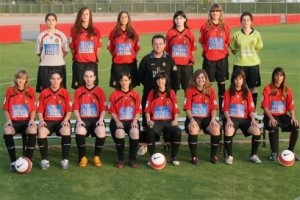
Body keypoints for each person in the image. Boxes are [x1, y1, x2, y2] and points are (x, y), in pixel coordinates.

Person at [138, 34, 179, 155]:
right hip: (150, 95)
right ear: (152, 45)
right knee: (147, 121)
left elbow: (175, 78)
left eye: (160, 44)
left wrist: (171, 94)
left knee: (168, 119)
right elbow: (140, 76)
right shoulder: (146, 59)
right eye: (155, 44)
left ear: (164, 45)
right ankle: (145, 144)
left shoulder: (169, 59)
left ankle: (168, 142)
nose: (158, 46)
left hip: (166, 96)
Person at [223, 69, 262, 165]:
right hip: (232, 119)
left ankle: (253, 155)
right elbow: (225, 109)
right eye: (236, 79)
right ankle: (229, 156)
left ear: (243, 80)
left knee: (257, 130)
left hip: (245, 119)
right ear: (233, 80)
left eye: (240, 78)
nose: (238, 81)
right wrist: (228, 120)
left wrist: (253, 119)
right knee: (228, 131)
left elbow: (251, 109)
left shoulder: (247, 92)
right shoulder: (228, 92)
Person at [199, 3, 230, 118]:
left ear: (220, 13)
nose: (215, 13)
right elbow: (202, 41)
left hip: (222, 60)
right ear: (210, 13)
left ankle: (222, 111)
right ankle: (206, 109)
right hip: (209, 60)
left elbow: (227, 42)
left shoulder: (225, 26)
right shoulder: (205, 26)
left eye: (217, 11)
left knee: (221, 84)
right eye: (213, 11)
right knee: (207, 85)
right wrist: (208, 51)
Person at [261, 67, 299, 161]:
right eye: (277, 75)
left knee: (295, 126)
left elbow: (290, 106)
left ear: (284, 77)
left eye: (281, 75)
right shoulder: (267, 89)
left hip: (282, 116)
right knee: (273, 126)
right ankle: (274, 152)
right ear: (273, 76)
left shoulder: (287, 90)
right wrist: (271, 118)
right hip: (270, 115)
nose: (279, 77)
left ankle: (291, 152)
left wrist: (293, 117)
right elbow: (265, 106)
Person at [183, 69, 221, 165]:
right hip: (194, 117)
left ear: (206, 79)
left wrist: (213, 119)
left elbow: (213, 107)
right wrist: (191, 120)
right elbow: (187, 108)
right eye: (198, 78)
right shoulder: (189, 90)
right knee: (194, 128)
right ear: (195, 79)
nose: (201, 80)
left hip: (207, 118)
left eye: (203, 77)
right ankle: (194, 156)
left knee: (216, 128)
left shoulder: (211, 90)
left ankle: (213, 155)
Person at [37, 70, 72, 170]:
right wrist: (41, 120)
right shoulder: (44, 93)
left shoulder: (65, 93)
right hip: (48, 121)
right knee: (42, 131)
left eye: (57, 79)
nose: (55, 81)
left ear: (61, 79)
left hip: (61, 121)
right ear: (49, 80)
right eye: (53, 79)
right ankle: (44, 160)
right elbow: (39, 110)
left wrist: (66, 120)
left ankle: (65, 160)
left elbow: (69, 110)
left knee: (66, 130)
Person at [3, 69, 37, 171]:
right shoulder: (10, 90)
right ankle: (13, 162)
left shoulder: (31, 91)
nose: (20, 81)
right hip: (14, 122)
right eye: (18, 78)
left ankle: (28, 160)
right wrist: (8, 120)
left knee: (32, 130)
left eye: (23, 78)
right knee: (7, 131)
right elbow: (5, 108)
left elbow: (34, 108)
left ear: (26, 80)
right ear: (15, 79)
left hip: (26, 122)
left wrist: (31, 120)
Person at [145, 72, 182, 166]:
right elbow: (147, 109)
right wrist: (148, 120)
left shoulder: (171, 92)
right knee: (149, 131)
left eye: (162, 79)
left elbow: (176, 109)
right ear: (156, 81)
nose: (160, 81)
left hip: (168, 121)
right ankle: (152, 158)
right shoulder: (152, 93)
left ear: (166, 81)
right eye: (158, 79)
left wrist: (176, 120)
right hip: (156, 121)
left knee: (177, 131)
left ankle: (174, 157)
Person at [73, 68, 107, 167]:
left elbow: (103, 108)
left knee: (101, 130)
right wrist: (79, 120)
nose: (89, 79)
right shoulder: (79, 91)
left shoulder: (99, 91)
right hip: (83, 119)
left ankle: (96, 156)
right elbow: (75, 108)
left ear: (94, 78)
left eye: (91, 76)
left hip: (96, 119)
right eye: (87, 76)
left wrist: (101, 120)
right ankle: (83, 157)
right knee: (79, 130)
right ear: (83, 78)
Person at [230, 11, 263, 110]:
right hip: (240, 65)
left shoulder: (257, 34)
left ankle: (253, 110)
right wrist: (240, 55)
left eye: (248, 20)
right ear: (241, 22)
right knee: (237, 87)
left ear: (251, 21)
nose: (246, 22)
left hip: (253, 64)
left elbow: (258, 47)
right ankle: (238, 110)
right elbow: (232, 48)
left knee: (253, 88)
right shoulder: (236, 35)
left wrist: (251, 55)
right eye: (243, 20)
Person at [108, 72, 141, 168]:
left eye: (126, 80)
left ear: (130, 81)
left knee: (135, 132)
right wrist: (118, 122)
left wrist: (135, 121)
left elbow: (138, 110)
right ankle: (121, 159)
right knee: (119, 132)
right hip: (118, 121)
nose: (124, 83)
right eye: (122, 80)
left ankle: (132, 159)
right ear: (119, 81)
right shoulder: (114, 94)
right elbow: (112, 111)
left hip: (132, 121)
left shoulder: (135, 94)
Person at [35, 12, 69, 93]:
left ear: (56, 22)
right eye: (49, 20)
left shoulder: (61, 35)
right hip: (45, 66)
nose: (51, 22)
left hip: (59, 66)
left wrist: (58, 57)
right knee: (45, 91)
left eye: (53, 20)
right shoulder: (41, 36)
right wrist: (47, 58)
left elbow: (66, 50)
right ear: (46, 22)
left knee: (60, 91)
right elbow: (38, 52)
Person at [70, 6, 102, 89]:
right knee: (79, 88)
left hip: (91, 63)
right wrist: (77, 56)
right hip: (79, 63)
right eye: (82, 14)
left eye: (87, 14)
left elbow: (98, 47)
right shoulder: (74, 30)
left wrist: (95, 58)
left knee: (92, 88)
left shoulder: (96, 30)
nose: (85, 16)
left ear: (90, 16)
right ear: (79, 16)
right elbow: (72, 47)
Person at [107, 10, 140, 88]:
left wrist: (130, 56)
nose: (124, 19)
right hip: (118, 65)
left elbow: (136, 49)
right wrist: (117, 56)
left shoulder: (133, 32)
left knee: (130, 87)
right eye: (121, 17)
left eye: (125, 17)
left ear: (128, 19)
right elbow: (111, 49)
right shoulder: (113, 33)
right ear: (119, 19)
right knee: (118, 87)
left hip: (130, 65)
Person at [165, 10, 197, 92]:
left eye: (181, 18)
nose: (178, 20)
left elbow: (193, 49)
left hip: (187, 66)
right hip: (174, 66)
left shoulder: (190, 33)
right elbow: (167, 50)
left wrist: (186, 59)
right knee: (172, 90)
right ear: (174, 20)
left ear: (185, 19)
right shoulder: (170, 33)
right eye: (176, 18)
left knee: (188, 90)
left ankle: (187, 105)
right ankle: (173, 105)